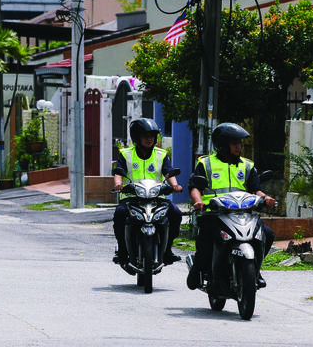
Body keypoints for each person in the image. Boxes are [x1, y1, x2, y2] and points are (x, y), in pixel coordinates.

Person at [186, 122, 275, 290]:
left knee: (267, 234)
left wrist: (266, 198)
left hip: (243, 214)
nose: (238, 147)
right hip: (214, 215)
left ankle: (256, 269)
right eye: (234, 143)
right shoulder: (206, 164)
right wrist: (198, 201)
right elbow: (195, 186)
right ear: (222, 145)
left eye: (239, 143)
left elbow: (256, 189)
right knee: (205, 241)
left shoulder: (247, 165)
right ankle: (197, 269)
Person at [112, 118, 183, 269]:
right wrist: (118, 183)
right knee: (119, 214)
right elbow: (119, 172)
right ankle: (122, 251)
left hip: (156, 197)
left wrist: (175, 185)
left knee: (176, 213)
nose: (149, 138)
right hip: (131, 198)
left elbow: (169, 173)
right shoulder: (126, 154)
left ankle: (168, 249)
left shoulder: (161, 154)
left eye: (152, 135)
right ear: (137, 137)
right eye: (145, 135)